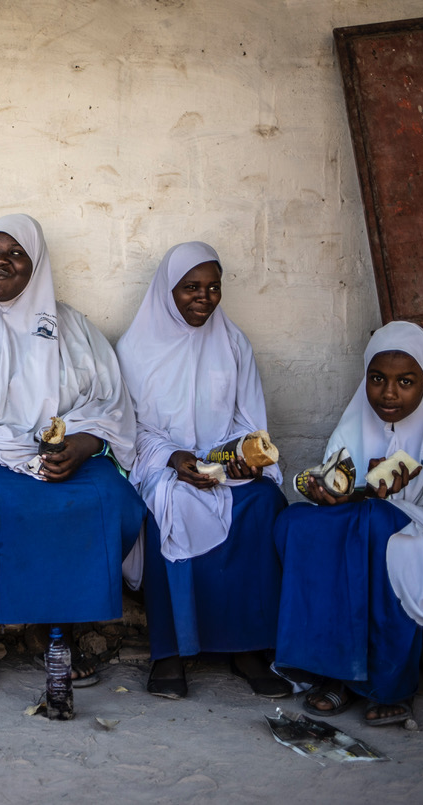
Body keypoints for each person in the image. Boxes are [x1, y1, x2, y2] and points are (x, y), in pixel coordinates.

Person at [0, 213, 147, 691]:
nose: (0, 262)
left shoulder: (73, 328)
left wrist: (84, 442)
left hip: (58, 452)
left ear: (35, 264)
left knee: (111, 500)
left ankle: (54, 626)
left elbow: (110, 405)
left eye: (15, 253)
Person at [276, 321, 423, 726]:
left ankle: (390, 686)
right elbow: (337, 491)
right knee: (296, 523)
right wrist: (335, 493)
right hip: (364, 537)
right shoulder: (354, 424)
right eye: (377, 379)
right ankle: (335, 671)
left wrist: (393, 500)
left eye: (406, 381)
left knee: (379, 526)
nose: (389, 393)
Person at [116, 242, 289, 700]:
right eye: (191, 287)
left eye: (213, 288)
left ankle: (249, 648)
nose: (204, 298)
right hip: (162, 465)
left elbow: (250, 420)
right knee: (166, 508)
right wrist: (175, 458)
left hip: (224, 464)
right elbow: (131, 430)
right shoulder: (134, 349)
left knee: (264, 502)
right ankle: (169, 654)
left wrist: (235, 458)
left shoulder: (232, 343)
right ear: (167, 291)